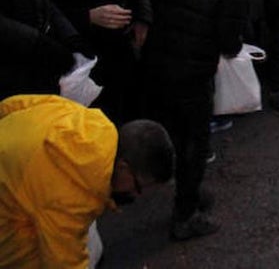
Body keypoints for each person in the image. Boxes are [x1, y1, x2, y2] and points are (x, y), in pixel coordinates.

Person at [144, 0, 264, 240]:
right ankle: (186, 212)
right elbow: (229, 41)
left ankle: (187, 191)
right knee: (195, 140)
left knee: (170, 131)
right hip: (194, 68)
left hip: (158, 56)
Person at [0, 94, 174, 268]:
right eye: (138, 187)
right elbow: (64, 262)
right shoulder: (73, 199)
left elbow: (12, 105)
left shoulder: (84, 119)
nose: (135, 195)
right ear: (123, 168)